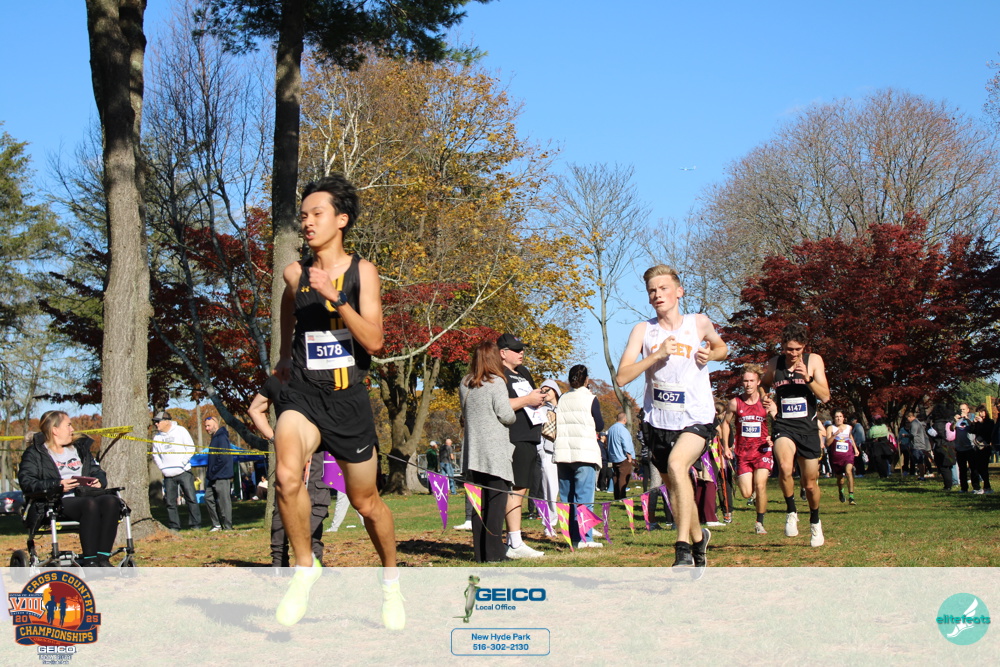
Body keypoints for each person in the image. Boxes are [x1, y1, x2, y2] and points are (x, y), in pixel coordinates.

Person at [271, 174, 402, 629]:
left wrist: (337, 299)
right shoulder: (294, 273)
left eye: (317, 214)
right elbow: (288, 305)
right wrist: (283, 354)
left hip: (349, 401)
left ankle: (391, 583)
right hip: (304, 394)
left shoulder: (363, 272)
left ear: (341, 220)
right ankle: (304, 568)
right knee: (287, 476)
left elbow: (375, 341)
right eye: (303, 215)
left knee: (366, 503)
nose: (307, 222)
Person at [616, 265, 728, 567]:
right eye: (652, 290)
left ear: (679, 292)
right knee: (675, 487)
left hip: (696, 416)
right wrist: (656, 355)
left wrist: (711, 354)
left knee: (678, 466)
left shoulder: (698, 323)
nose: (657, 294)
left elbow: (722, 348)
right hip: (658, 421)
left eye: (663, 288)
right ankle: (697, 537)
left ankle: (681, 547)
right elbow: (622, 376)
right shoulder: (643, 330)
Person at [248, 375, 332, 567]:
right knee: (313, 501)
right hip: (311, 448)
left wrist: (275, 437)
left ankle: (280, 563)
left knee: (285, 499)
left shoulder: (277, 378)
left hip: (288, 446)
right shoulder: (320, 376)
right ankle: (310, 561)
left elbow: (254, 409)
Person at [761, 322, 831, 548]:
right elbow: (764, 384)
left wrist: (808, 379)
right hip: (784, 425)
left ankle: (815, 521)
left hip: (807, 428)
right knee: (784, 466)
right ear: (782, 346)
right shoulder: (775, 363)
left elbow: (825, 396)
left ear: (804, 347)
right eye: (789, 349)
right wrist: (766, 398)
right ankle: (791, 511)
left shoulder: (814, 361)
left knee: (809, 484)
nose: (793, 354)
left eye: (797, 349)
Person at [19, 411, 119, 567]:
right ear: (55, 430)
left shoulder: (79, 448)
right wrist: (58, 485)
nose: (72, 429)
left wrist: (99, 481)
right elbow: (27, 483)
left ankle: (103, 558)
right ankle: (90, 561)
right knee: (89, 504)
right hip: (55, 500)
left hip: (85, 494)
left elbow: (96, 470)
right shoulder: (35, 453)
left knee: (112, 501)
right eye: (68, 425)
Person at [459, 340, 520, 562]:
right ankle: (494, 554)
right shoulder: (497, 382)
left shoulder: (465, 383)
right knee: (495, 505)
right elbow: (506, 415)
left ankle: (480, 553)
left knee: (479, 506)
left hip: (473, 452)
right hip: (494, 453)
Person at [496, 333, 547, 558]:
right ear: (502, 353)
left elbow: (532, 398)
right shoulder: (498, 375)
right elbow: (499, 405)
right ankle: (515, 542)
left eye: (522, 348)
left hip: (531, 436)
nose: (521, 352)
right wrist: (527, 400)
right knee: (515, 488)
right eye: (516, 349)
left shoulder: (524, 372)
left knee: (522, 488)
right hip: (513, 436)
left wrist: (539, 399)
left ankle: (514, 540)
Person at [553, 364, 605, 548]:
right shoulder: (591, 398)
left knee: (567, 499)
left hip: (563, 453)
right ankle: (585, 538)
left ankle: (572, 537)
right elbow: (599, 425)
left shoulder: (562, 398)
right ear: (586, 379)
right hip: (584, 452)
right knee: (584, 498)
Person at [722, 364, 776, 535]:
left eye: (752, 381)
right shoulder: (735, 403)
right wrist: (726, 446)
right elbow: (725, 423)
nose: (748, 384)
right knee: (746, 493)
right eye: (745, 381)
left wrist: (773, 437)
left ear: (758, 382)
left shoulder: (766, 402)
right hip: (743, 453)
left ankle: (759, 522)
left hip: (762, 450)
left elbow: (777, 420)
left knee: (760, 485)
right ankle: (751, 492)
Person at [152, 410, 202, 531]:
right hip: (168, 475)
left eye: (158, 422)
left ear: (166, 421)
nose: (156, 424)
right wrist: (162, 467)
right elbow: (155, 455)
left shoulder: (180, 431)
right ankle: (174, 526)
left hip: (184, 472)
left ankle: (195, 524)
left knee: (191, 498)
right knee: (170, 502)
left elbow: (190, 448)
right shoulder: (157, 437)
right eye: (155, 422)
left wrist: (182, 463)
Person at [537, 379, 561, 537]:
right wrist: (540, 451)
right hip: (547, 453)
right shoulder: (540, 410)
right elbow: (537, 432)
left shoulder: (564, 408)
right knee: (549, 491)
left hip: (564, 453)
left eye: (548, 389)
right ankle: (549, 524)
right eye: (542, 390)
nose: (545, 392)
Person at [203, 416, 234, 531]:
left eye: (208, 425)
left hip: (221, 475)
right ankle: (216, 524)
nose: (207, 428)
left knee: (224, 501)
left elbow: (223, 458)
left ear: (216, 424)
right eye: (205, 426)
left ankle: (228, 526)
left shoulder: (221, 437)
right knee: (208, 498)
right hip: (213, 476)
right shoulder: (214, 438)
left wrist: (214, 470)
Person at [826, 410, 859, 505]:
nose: (838, 418)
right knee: (840, 479)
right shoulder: (830, 428)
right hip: (836, 457)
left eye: (840, 416)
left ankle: (851, 497)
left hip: (848, 455)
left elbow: (851, 438)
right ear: (834, 418)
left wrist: (855, 448)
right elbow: (827, 443)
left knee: (849, 472)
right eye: (836, 417)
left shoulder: (849, 427)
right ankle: (841, 491)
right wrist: (835, 434)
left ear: (843, 418)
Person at [606, 413, 635, 500]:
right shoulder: (622, 430)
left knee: (616, 477)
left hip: (613, 456)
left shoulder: (611, 429)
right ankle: (622, 496)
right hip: (623, 457)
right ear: (625, 420)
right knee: (624, 477)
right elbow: (625, 443)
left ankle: (617, 496)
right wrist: (629, 455)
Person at [970, 405, 994, 494]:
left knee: (983, 467)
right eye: (978, 412)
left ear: (985, 412)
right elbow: (971, 431)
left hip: (985, 446)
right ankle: (978, 487)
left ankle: (987, 486)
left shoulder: (990, 422)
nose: (980, 414)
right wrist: (973, 423)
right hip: (977, 446)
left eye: (982, 411)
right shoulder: (977, 422)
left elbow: (988, 432)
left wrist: (982, 422)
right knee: (976, 467)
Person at [907, 411, 932, 480]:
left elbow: (913, 434)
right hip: (921, 444)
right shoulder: (918, 422)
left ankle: (922, 476)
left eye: (907, 418)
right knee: (920, 461)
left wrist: (905, 435)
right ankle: (922, 475)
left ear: (910, 417)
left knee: (919, 461)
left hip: (917, 444)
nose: (907, 420)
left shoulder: (914, 423)